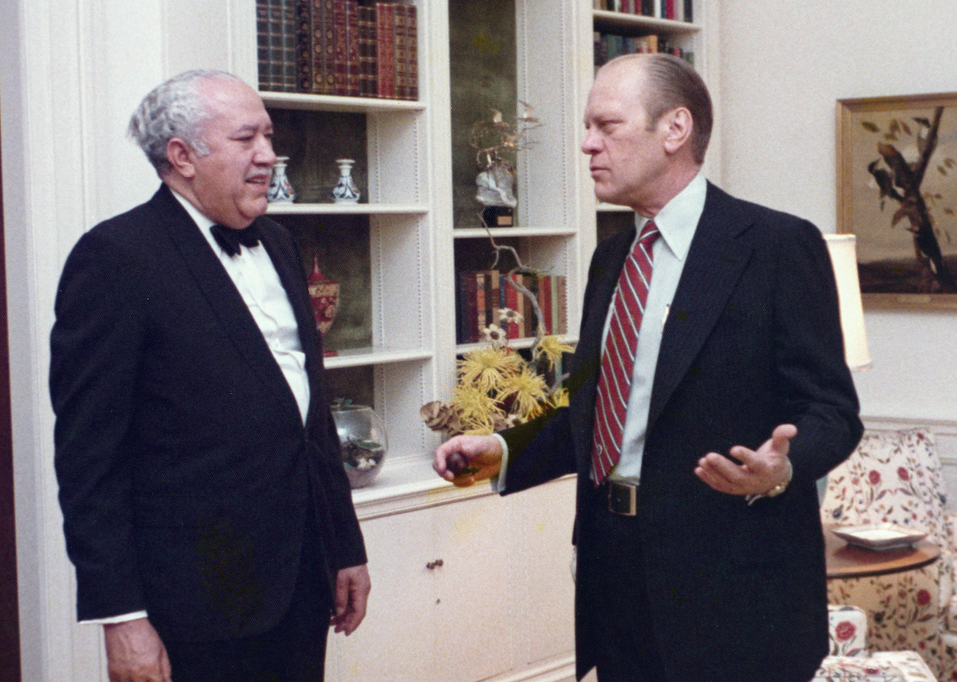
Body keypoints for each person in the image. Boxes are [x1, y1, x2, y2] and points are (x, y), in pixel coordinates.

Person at [433, 53, 862, 682]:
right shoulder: (612, 260)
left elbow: (833, 410)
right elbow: (595, 405)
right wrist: (502, 447)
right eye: (588, 128)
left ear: (675, 129)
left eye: (607, 125)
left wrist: (782, 469)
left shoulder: (775, 246)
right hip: (616, 574)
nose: (587, 144)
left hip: (737, 595)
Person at [50, 69, 369, 682]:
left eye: (270, 137)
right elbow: (89, 460)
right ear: (182, 157)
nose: (269, 156)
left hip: (301, 584)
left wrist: (344, 547)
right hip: (193, 608)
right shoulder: (116, 258)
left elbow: (308, 415)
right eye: (247, 139)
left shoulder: (278, 242)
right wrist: (122, 616)